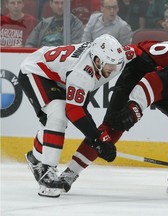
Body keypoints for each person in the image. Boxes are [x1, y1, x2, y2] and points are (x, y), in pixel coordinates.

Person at [61, 30, 168, 195]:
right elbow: (152, 83)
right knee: (115, 126)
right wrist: (134, 109)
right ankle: (69, 173)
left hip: (162, 75)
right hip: (139, 72)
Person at [18, 34, 127, 198]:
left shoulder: (116, 61)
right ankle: (47, 171)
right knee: (58, 114)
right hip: (36, 71)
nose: (114, 69)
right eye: (110, 65)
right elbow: (75, 111)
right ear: (97, 60)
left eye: (117, 64)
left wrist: (98, 139)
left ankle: (35, 158)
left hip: (61, 77)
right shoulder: (81, 73)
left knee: (53, 119)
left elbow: (133, 54)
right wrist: (98, 139)